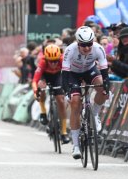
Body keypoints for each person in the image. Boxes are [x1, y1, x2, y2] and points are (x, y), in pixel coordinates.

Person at [62, 26, 109, 159]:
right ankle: (76, 145)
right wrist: (67, 91)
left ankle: (94, 114)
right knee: (75, 103)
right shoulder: (70, 50)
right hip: (73, 74)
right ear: (78, 43)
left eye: (89, 44)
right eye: (83, 45)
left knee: (103, 90)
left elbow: (105, 72)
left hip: (90, 71)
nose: (87, 48)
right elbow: (64, 74)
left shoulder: (98, 48)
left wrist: (106, 85)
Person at [31, 44, 69, 144]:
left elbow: (68, 74)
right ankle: (43, 112)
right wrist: (36, 91)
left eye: (55, 61)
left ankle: (64, 132)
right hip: (45, 76)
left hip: (57, 76)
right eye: (51, 61)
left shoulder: (62, 60)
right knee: (41, 86)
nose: (53, 63)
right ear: (46, 59)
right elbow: (34, 80)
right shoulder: (43, 61)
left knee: (61, 100)